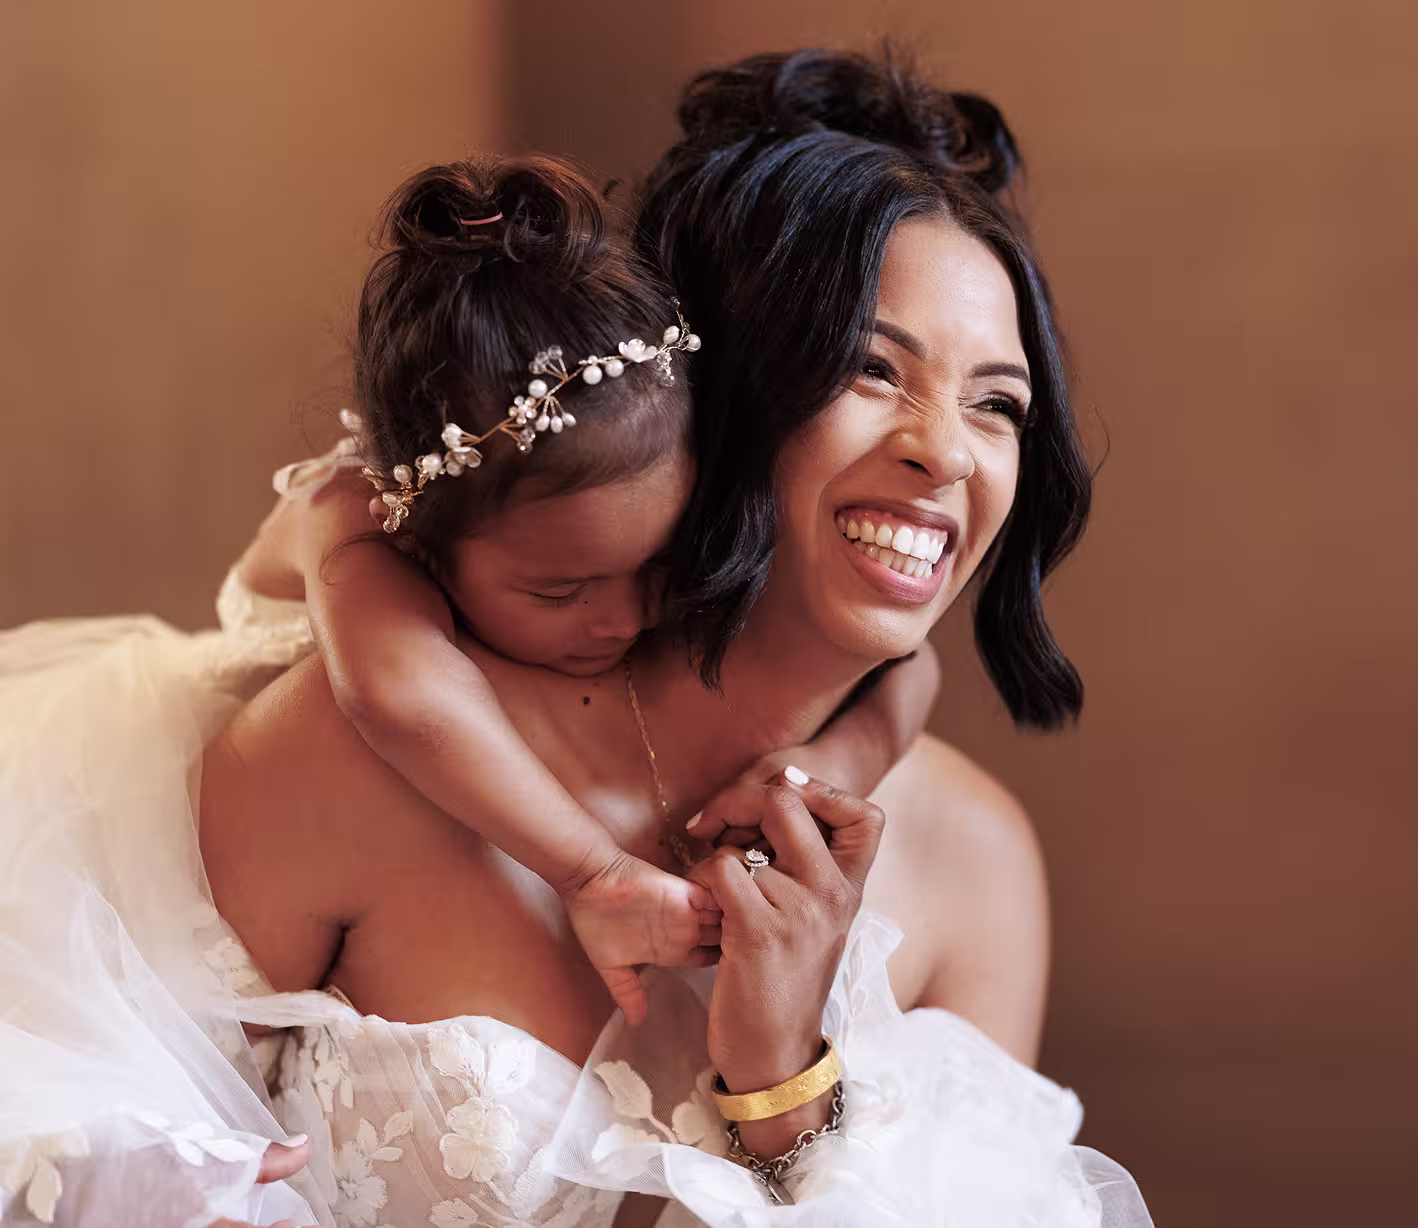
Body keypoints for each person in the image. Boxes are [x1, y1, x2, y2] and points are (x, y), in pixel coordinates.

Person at [197, 49, 1151, 1226]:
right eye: (870, 367)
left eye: (997, 403)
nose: (946, 452)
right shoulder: (368, 750)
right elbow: (104, 1139)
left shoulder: (978, 866)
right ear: (729, 387)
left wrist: (781, 1075)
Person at [230, 156, 938, 1025]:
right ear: (425, 544)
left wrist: (824, 768)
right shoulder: (356, 516)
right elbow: (398, 692)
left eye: (659, 563)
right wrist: (593, 874)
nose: (627, 616)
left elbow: (916, 667)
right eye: (562, 591)